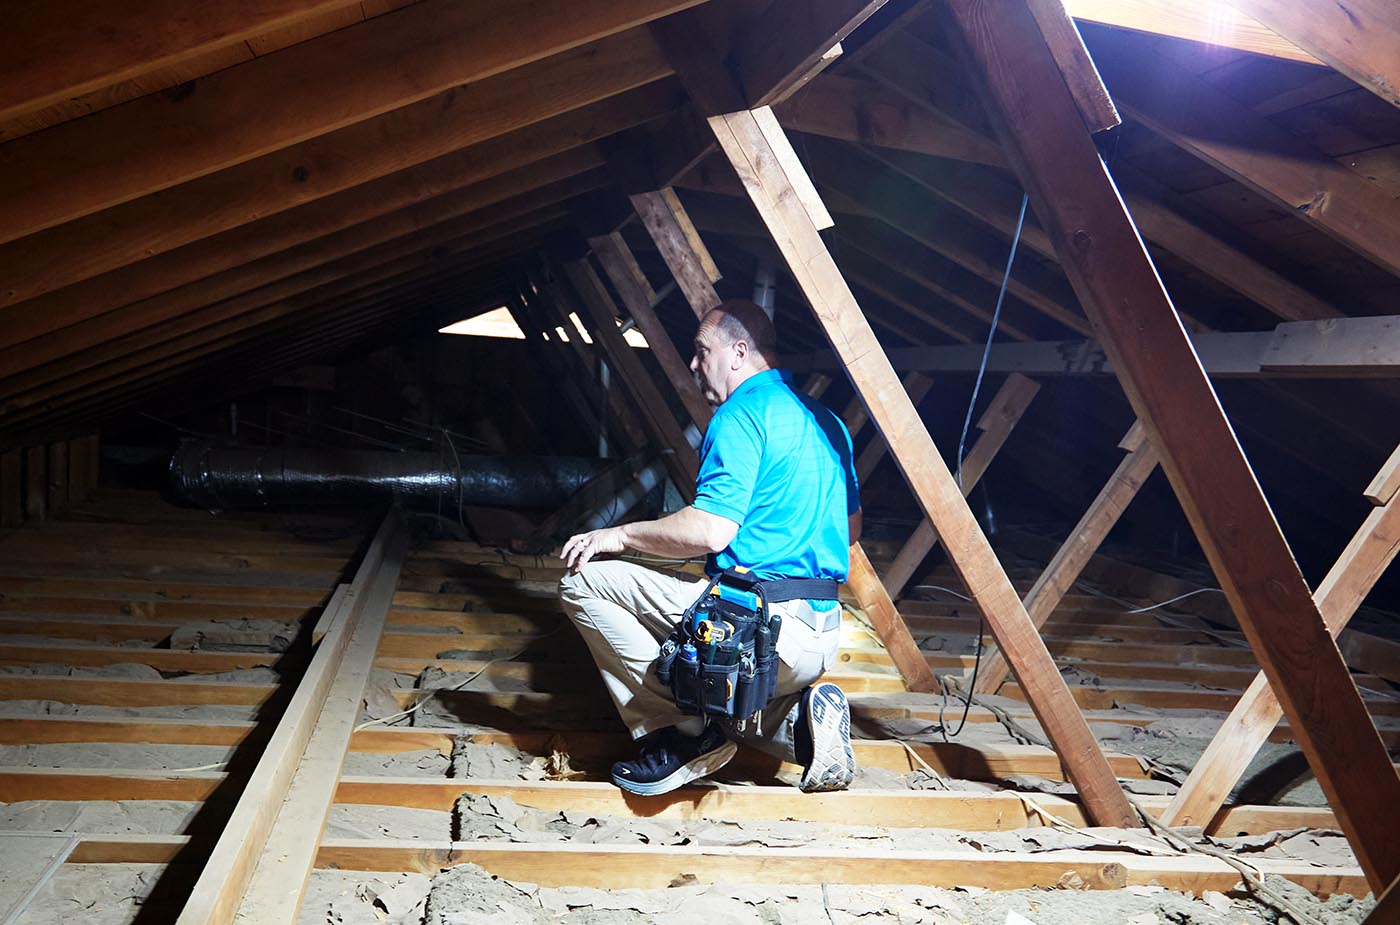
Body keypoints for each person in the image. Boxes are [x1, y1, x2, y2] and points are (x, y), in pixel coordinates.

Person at [558, 298, 861, 796]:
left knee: (583, 581)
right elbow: (849, 532)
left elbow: (710, 530)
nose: (695, 364)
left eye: (702, 351)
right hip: (821, 634)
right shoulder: (831, 422)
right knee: (724, 690)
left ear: (739, 352)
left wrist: (619, 535)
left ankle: (683, 734)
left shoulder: (742, 414)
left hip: (763, 626)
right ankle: (804, 724)